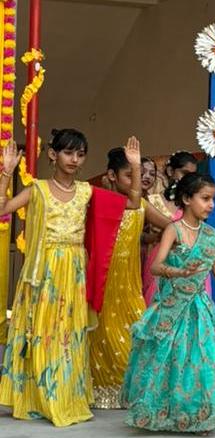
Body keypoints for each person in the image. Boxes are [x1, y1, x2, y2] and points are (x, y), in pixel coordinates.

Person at [122, 173, 215, 433]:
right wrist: (178, 272)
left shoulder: (211, 236)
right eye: (205, 198)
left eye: (213, 199)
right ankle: (166, 413)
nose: (211, 204)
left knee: (201, 362)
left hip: (199, 309)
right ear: (187, 199)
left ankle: (198, 416)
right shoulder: (174, 230)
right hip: (172, 307)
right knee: (169, 360)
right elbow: (156, 266)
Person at [0, 130, 126, 426]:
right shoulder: (38, 189)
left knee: (69, 334)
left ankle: (64, 395)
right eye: (69, 153)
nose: (75, 159)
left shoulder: (86, 191)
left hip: (75, 270)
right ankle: (39, 397)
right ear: (53, 154)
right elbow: (3, 209)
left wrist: (133, 165)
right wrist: (6, 173)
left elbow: (130, 203)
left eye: (80, 154)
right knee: (42, 332)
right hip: (43, 271)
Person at [89, 143, 172, 409]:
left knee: (138, 332)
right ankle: (104, 389)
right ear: (112, 176)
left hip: (130, 284)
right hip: (103, 282)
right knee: (102, 336)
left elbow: (171, 228)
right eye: (130, 175)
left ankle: (134, 389)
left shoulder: (142, 206)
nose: (137, 180)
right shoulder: (98, 201)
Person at [143, 151, 200, 305]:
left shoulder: (194, 203)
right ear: (170, 171)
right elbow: (140, 235)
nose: (188, 179)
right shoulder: (152, 200)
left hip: (187, 261)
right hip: (159, 258)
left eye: (192, 175)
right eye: (184, 173)